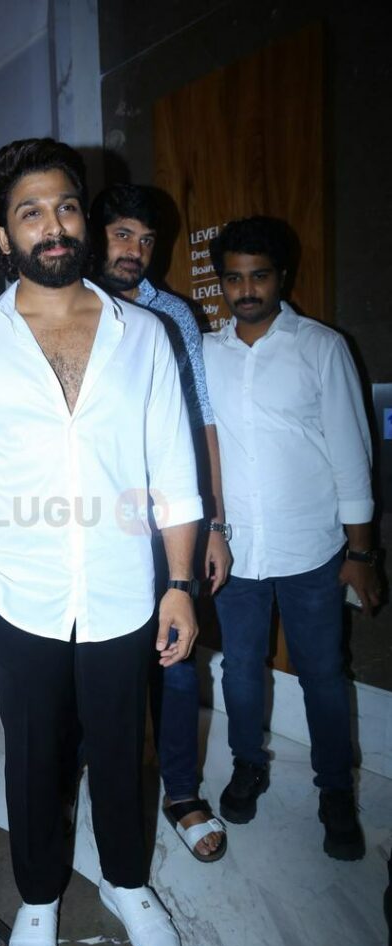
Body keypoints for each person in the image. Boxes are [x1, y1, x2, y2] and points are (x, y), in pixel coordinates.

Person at [0, 138, 203, 946]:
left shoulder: (143, 334)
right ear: (2, 236)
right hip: (19, 597)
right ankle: (38, 896)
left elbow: (174, 471)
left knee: (122, 750)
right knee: (33, 759)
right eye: (30, 212)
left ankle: (126, 882)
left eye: (66, 206)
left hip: (125, 592)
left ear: (84, 218)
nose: (53, 226)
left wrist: (179, 585)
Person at [204, 216, 380, 859]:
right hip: (236, 552)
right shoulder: (207, 354)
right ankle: (247, 765)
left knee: (324, 675)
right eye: (234, 278)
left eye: (259, 276)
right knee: (240, 669)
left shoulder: (322, 347)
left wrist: (361, 552)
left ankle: (335, 790)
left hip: (312, 548)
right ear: (222, 283)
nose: (246, 290)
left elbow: (352, 454)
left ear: (282, 277)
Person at [90, 183, 229, 862]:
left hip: (164, 524)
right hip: (87, 521)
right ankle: (92, 774)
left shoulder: (172, 315)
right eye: (122, 234)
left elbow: (202, 421)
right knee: (89, 658)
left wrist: (216, 525)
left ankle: (180, 790)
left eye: (146, 240)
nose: (135, 251)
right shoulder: (64, 309)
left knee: (175, 658)